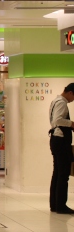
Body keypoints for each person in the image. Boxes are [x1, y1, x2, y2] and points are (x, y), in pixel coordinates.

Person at [48, 83, 74, 214]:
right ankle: (61, 205)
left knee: (57, 172)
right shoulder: (62, 103)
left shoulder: (55, 101)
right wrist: (71, 123)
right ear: (70, 93)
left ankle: (55, 204)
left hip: (56, 140)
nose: (73, 100)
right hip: (61, 141)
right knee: (63, 174)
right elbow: (58, 120)